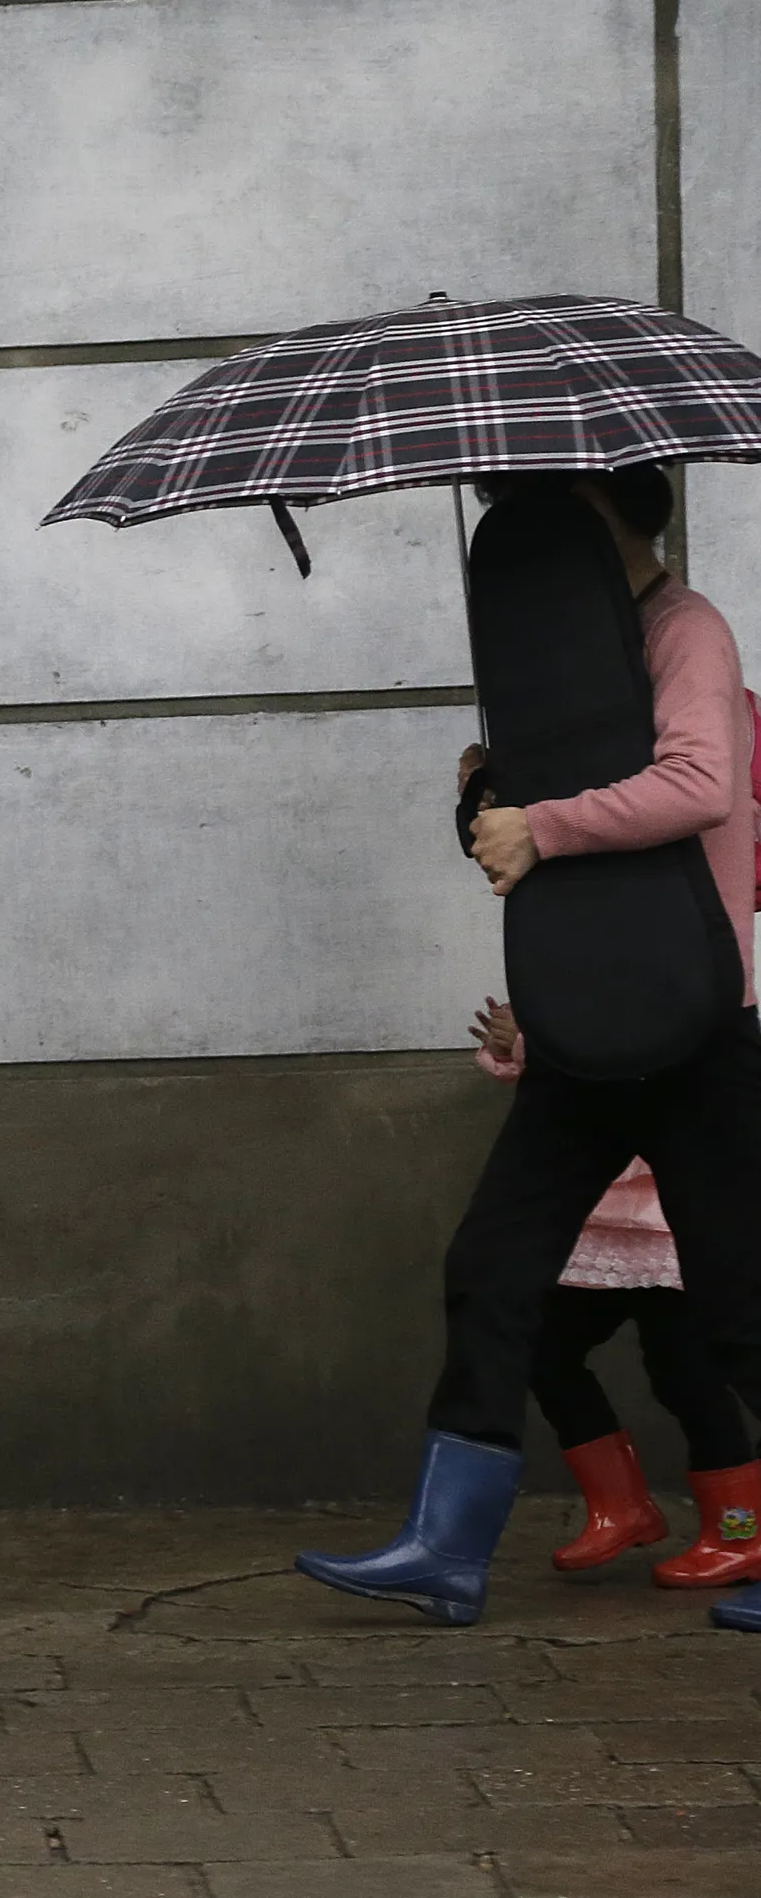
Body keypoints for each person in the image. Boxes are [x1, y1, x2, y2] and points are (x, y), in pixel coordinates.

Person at [296, 463, 761, 1626]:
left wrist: (542, 825)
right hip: (585, 1023)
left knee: (740, 1305)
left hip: (691, 1022)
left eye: (544, 514)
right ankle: (445, 1549)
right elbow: (531, 843)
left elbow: (702, 784)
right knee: (491, 1270)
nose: (521, 533)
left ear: (606, 519)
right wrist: (490, 804)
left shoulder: (682, 629)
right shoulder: (562, 657)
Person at [469, 997, 761, 1584]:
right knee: (544, 1348)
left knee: (687, 1375)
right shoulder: (580, 963)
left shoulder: (678, 970)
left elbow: (638, 1069)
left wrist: (534, 1045)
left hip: (669, 1218)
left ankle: (741, 1532)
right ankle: (621, 1506)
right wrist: (514, 1045)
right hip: (594, 1217)